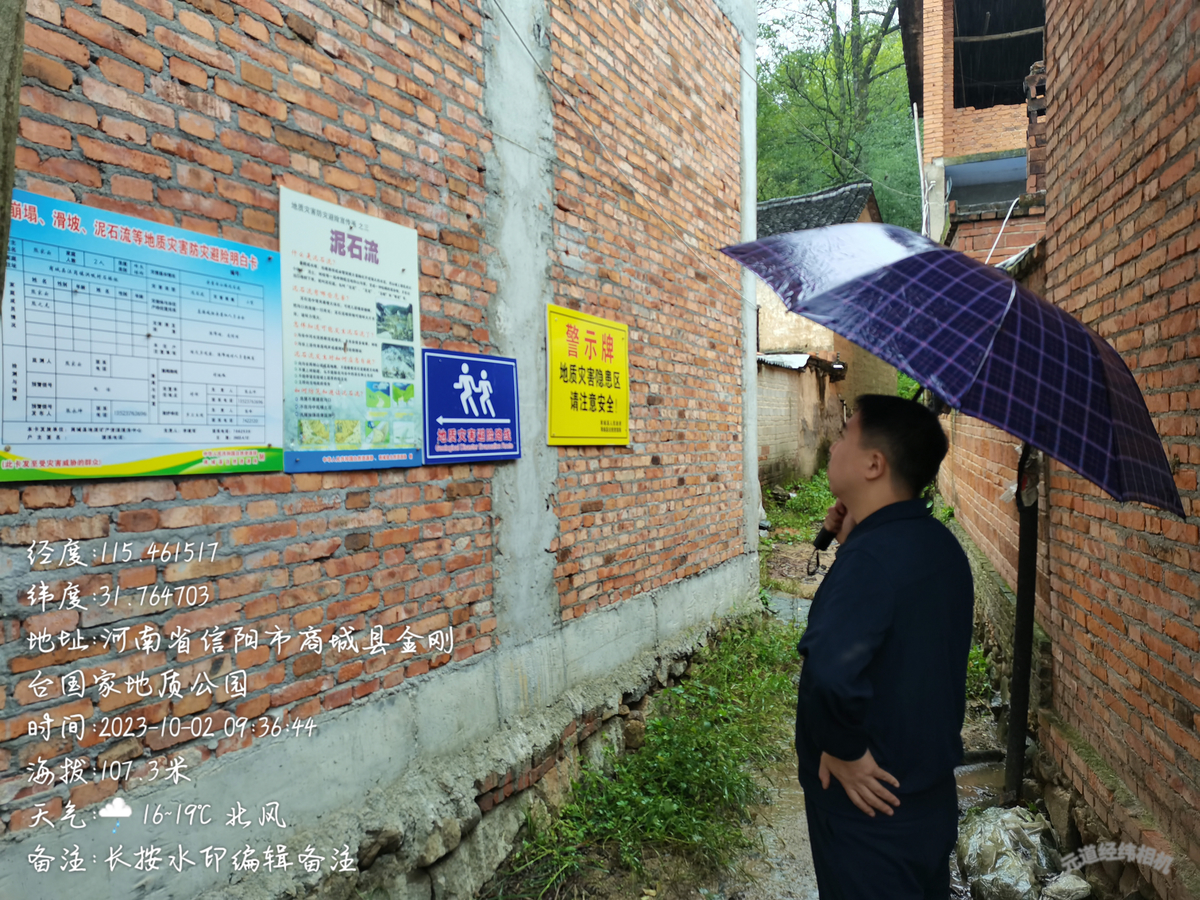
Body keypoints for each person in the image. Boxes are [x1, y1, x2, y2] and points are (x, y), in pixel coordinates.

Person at [795, 394, 973, 900]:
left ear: (874, 463)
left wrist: (844, 748)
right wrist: (852, 540)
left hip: (865, 808)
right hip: (925, 798)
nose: (832, 444)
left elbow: (830, 672)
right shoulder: (939, 545)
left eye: (846, 433)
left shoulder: (872, 560)